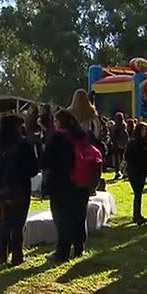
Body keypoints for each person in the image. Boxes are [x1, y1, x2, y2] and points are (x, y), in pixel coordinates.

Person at [0, 115, 38, 266]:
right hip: (20, 189)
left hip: (2, 190)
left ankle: (2, 256)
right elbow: (33, 169)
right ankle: (17, 256)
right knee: (18, 224)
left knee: (4, 222)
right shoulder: (24, 144)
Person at [42, 110, 91, 262]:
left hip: (61, 183)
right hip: (81, 181)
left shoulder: (56, 137)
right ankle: (79, 246)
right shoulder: (82, 135)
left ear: (59, 122)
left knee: (61, 218)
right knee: (78, 215)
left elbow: (46, 161)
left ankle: (62, 251)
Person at [125, 122, 147, 225]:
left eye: (146, 130)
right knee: (137, 193)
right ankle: (137, 216)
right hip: (134, 171)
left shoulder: (145, 143)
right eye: (143, 130)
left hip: (142, 171)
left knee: (139, 193)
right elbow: (128, 156)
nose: (145, 132)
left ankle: (137, 214)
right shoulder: (133, 143)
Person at [110, 112, 129, 179]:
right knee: (123, 159)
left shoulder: (114, 127)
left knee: (116, 160)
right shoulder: (124, 125)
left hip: (115, 144)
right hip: (123, 144)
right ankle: (124, 172)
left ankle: (117, 172)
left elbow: (112, 136)